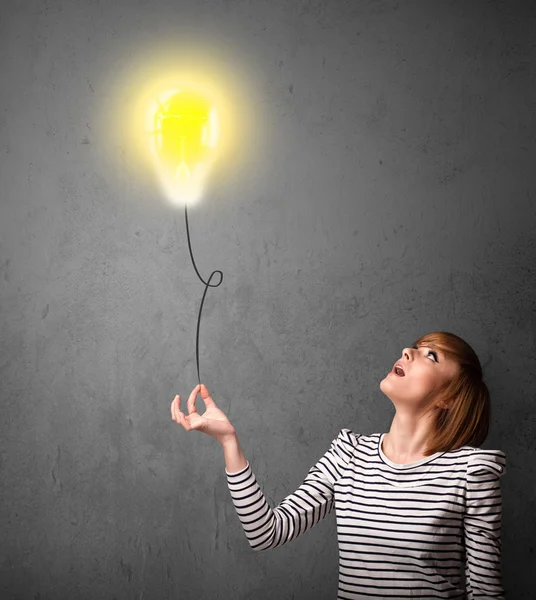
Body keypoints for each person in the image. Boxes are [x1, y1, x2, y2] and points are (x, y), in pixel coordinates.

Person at [170, 331, 506, 599]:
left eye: (430, 355)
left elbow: (484, 592)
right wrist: (229, 442)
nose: (407, 351)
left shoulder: (470, 473)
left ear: (450, 397)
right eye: (416, 346)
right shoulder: (348, 454)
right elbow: (266, 532)